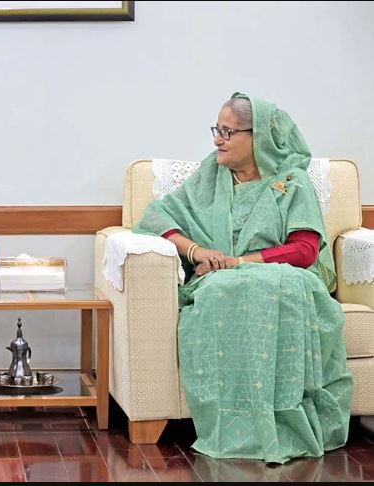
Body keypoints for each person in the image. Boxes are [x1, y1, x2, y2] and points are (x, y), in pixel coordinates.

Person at [133, 92, 353, 464]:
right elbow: (157, 215)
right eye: (216, 130)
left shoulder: (292, 182)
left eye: (227, 132)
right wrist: (196, 251)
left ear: (258, 138)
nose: (217, 140)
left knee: (258, 287)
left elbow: (304, 250)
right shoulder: (212, 175)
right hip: (219, 278)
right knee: (218, 291)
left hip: (285, 277)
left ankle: (286, 421)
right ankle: (231, 423)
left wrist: (238, 262)